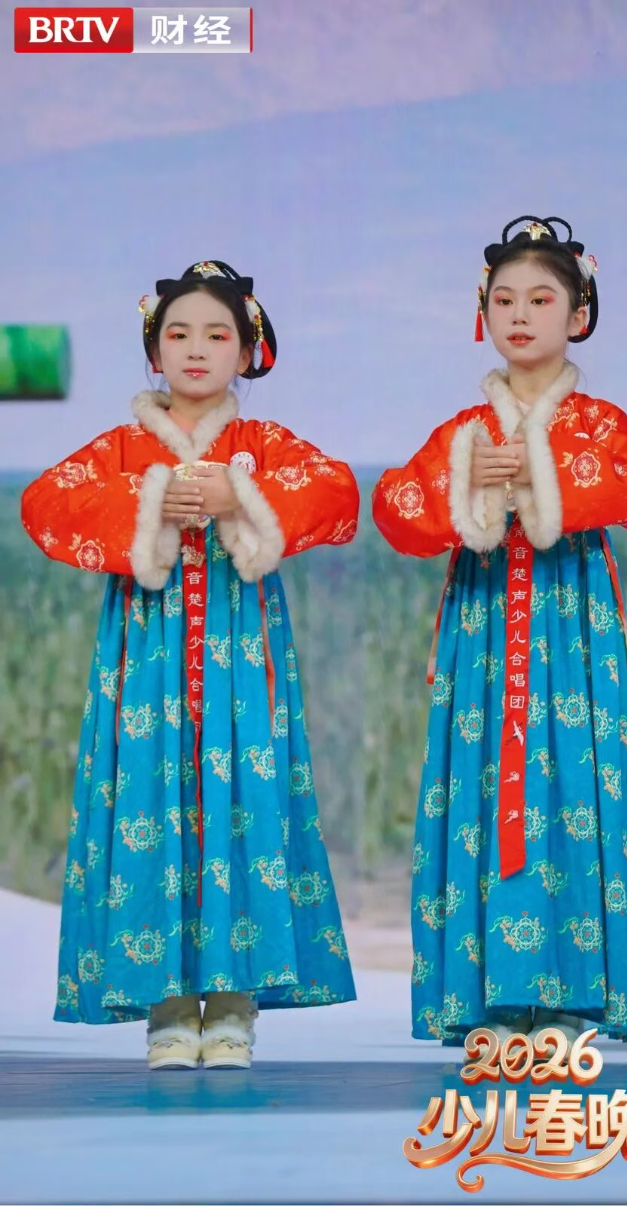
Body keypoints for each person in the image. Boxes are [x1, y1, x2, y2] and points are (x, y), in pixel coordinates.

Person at [22, 259, 358, 1069]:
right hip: (149, 657)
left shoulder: (261, 446)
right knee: (151, 796)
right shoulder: (124, 447)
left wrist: (241, 497)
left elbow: (338, 495)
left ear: (246, 351)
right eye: (178, 334)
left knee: (243, 797)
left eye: (217, 334)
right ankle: (168, 1010)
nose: (197, 349)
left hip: (241, 657)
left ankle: (235, 1005)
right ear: (154, 350)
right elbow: (45, 505)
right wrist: (148, 500)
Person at [372, 216, 627, 1046]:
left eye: (541, 299)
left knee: (576, 785)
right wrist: (466, 477)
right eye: (503, 299)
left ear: (578, 314)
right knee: (483, 786)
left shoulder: (600, 424)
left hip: (572, 628)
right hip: (485, 631)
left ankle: (571, 995)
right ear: (484, 312)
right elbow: (396, 508)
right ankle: (494, 999)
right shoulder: (465, 432)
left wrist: (546, 473)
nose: (519, 314)